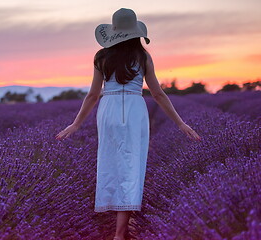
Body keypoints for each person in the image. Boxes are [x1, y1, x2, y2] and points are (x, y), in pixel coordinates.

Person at [55, 8, 201, 240]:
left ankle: (118, 226)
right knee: (131, 166)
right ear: (135, 33)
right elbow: (158, 94)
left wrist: (76, 124)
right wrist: (180, 123)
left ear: (114, 33)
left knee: (110, 164)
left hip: (108, 111)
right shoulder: (143, 57)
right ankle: (120, 233)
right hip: (134, 110)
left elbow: (93, 95)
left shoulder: (101, 57)